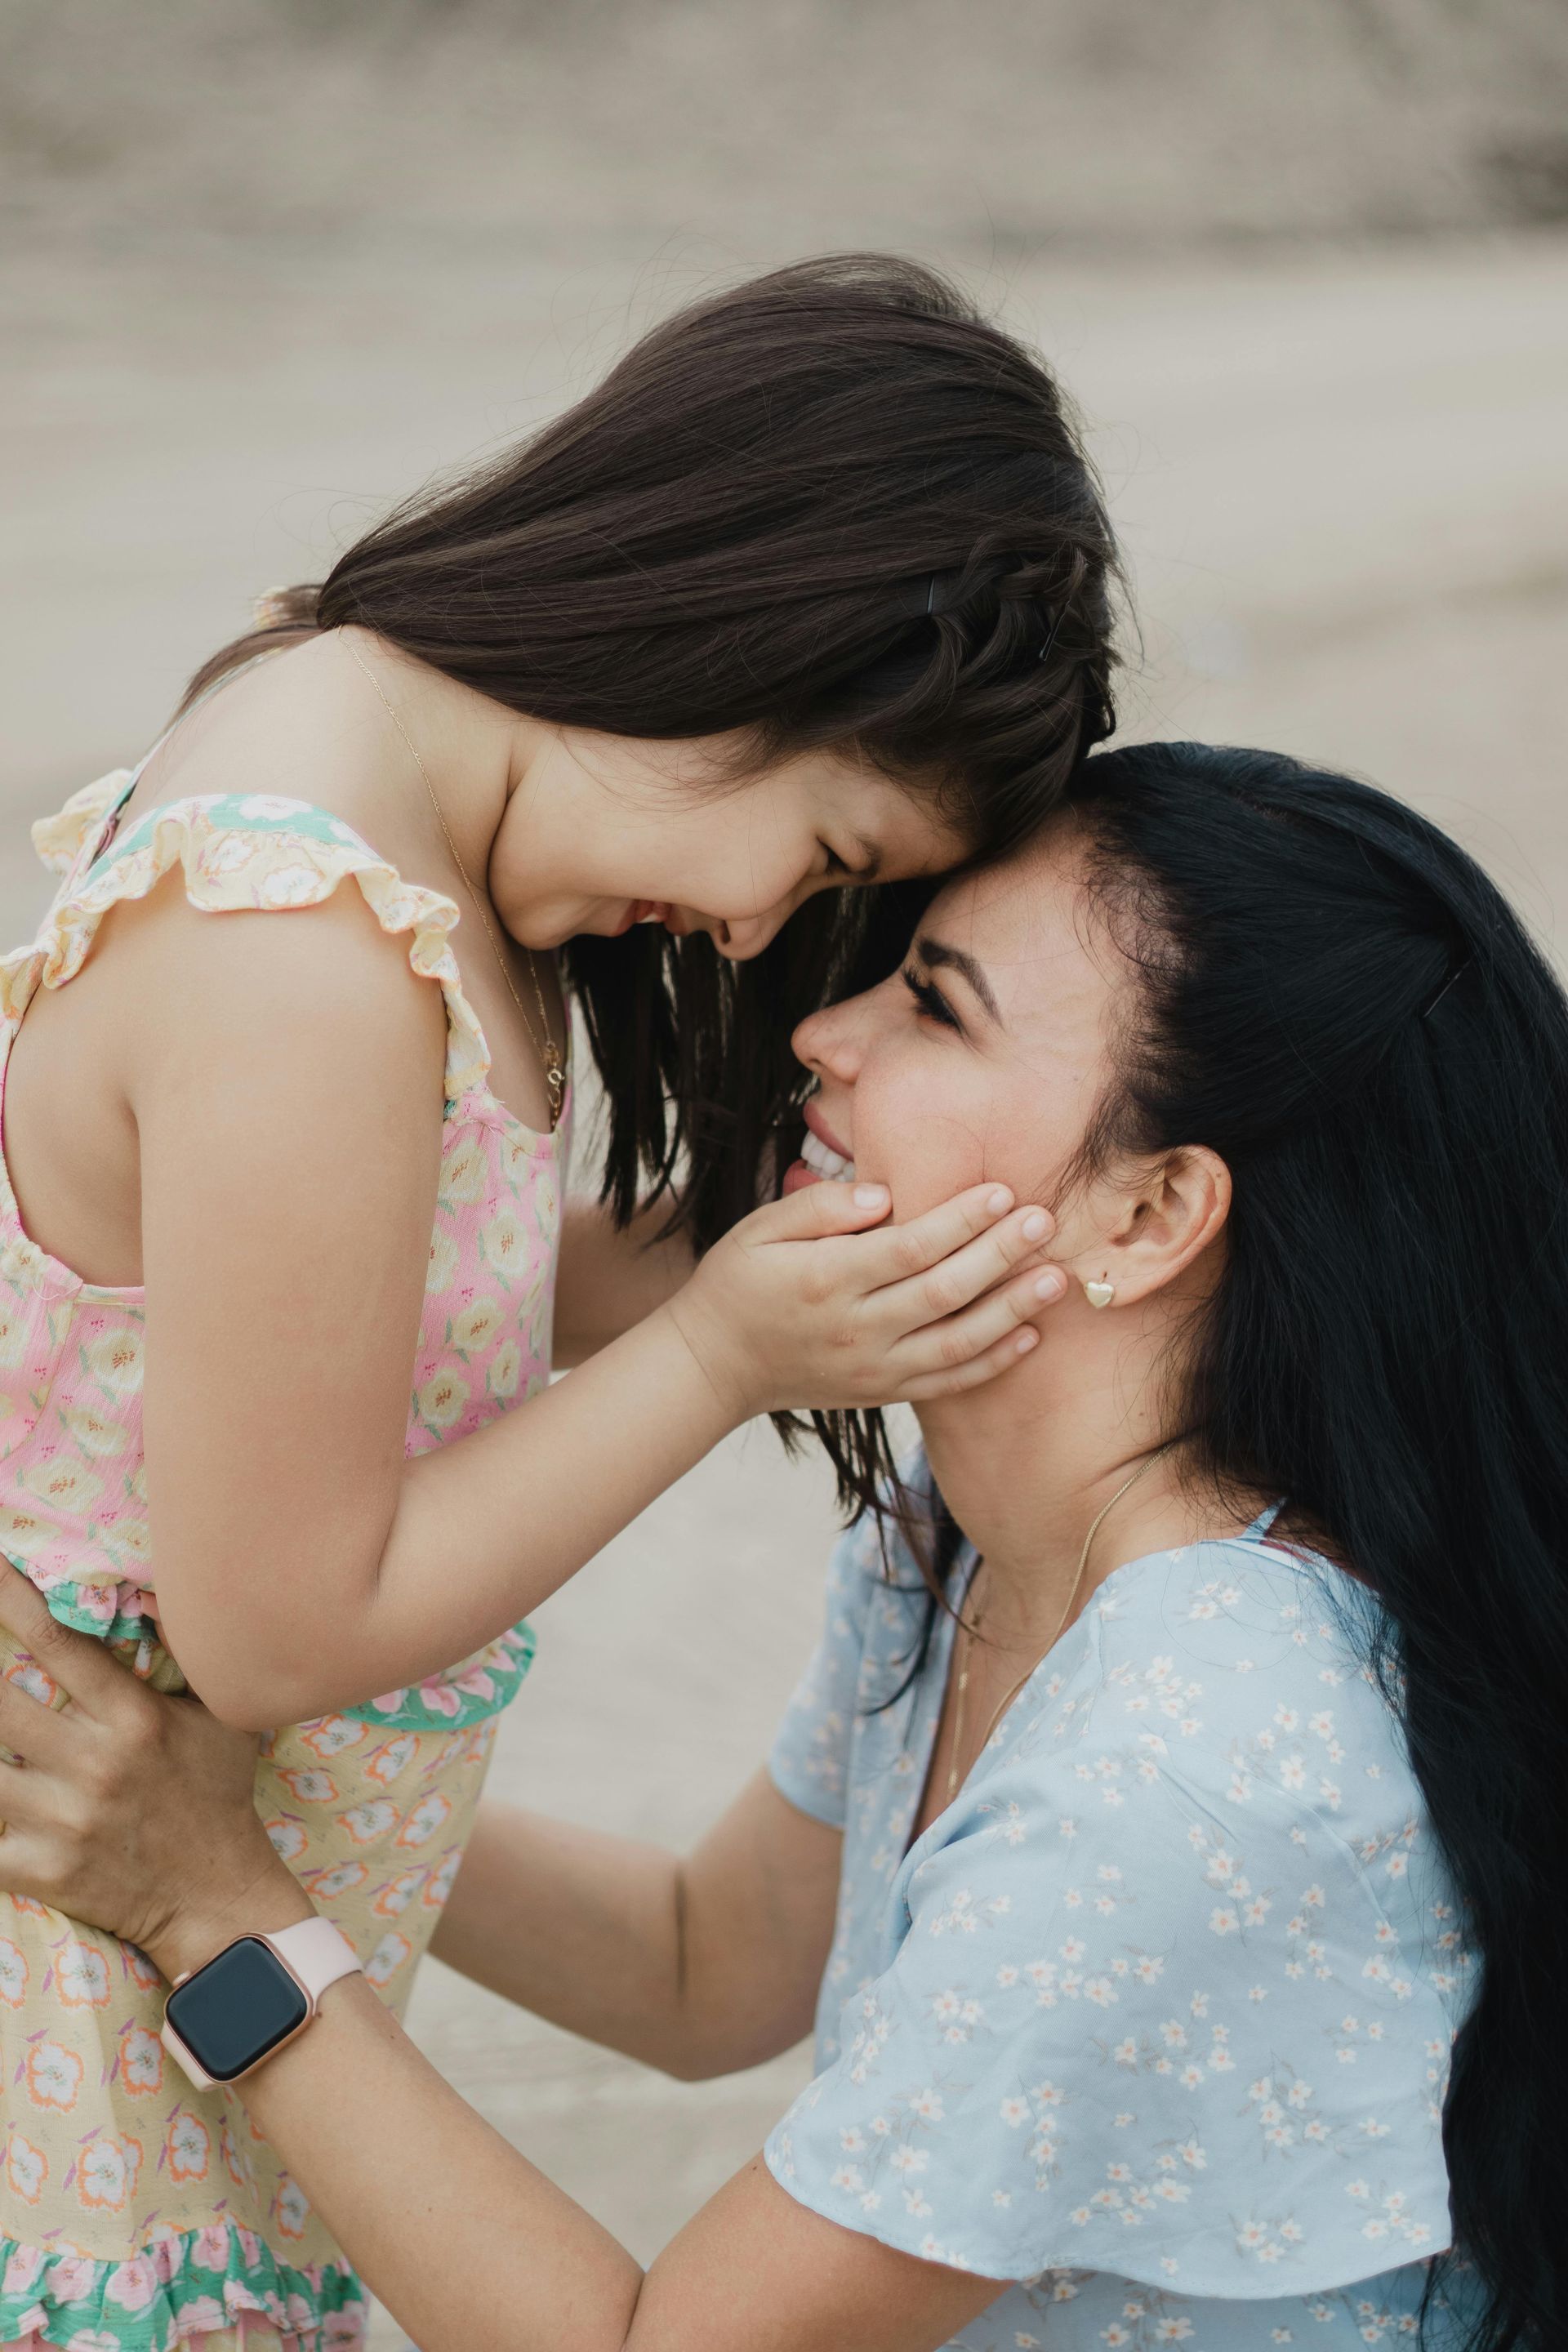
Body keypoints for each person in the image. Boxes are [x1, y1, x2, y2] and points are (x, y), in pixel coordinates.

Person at [7, 742, 1562, 2352]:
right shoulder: (962, 1532)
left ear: (1149, 1215)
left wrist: (218, 1913)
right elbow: (709, 1961)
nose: (827, 1032)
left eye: (938, 1007)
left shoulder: (1186, 1761)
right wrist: (243, 1781)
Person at [0, 253, 1120, 2350]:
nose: (763, 922)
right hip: (70, 1996)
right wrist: (719, 1354)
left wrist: (823, 1241)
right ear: (753, 628)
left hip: (161, 1925)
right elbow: (278, 1623)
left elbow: (420, 1284)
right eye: (823, 845)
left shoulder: (362, 767)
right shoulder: (309, 949)